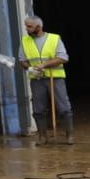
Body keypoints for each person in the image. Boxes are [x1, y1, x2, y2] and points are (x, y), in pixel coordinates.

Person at [20, 15, 72, 145]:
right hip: (37, 79)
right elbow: (22, 60)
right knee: (38, 109)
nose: (27, 28)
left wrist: (44, 65)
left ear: (39, 26)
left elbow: (63, 58)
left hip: (55, 77)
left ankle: (69, 136)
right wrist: (30, 68)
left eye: (29, 26)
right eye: (26, 26)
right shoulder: (25, 40)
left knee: (64, 107)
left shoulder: (54, 38)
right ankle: (42, 136)